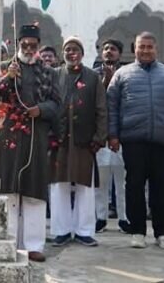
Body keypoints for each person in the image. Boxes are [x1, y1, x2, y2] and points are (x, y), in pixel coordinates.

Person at [107, 32, 164, 251]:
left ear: (156, 49)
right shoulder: (122, 74)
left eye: (149, 47)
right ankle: (137, 231)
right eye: (141, 47)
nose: (145, 50)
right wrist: (113, 135)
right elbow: (112, 107)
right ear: (134, 48)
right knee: (134, 186)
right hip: (134, 140)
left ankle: (162, 233)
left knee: (162, 188)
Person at [0, 24, 61, 263]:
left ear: (37, 46)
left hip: (37, 133)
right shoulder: (6, 68)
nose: (28, 48)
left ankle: (34, 245)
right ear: (18, 44)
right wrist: (8, 78)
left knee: (34, 190)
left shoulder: (50, 72)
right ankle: (10, 242)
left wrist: (40, 110)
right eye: (24, 44)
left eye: (33, 45)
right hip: (11, 135)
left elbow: (57, 104)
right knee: (11, 190)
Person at [50, 37, 107, 247]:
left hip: (85, 140)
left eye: (75, 50)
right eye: (67, 50)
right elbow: (48, 104)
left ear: (82, 53)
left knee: (85, 184)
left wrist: (100, 137)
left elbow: (101, 109)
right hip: (59, 139)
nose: (71, 53)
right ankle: (62, 230)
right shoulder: (54, 75)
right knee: (58, 185)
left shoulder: (92, 78)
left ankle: (84, 231)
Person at [93, 39, 128, 234]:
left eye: (113, 49)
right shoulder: (93, 74)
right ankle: (100, 218)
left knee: (122, 181)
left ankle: (124, 218)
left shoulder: (128, 73)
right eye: (105, 49)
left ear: (120, 53)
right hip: (101, 135)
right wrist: (106, 80)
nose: (108, 52)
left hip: (122, 134)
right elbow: (96, 99)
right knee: (101, 182)